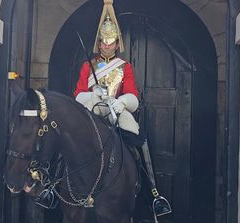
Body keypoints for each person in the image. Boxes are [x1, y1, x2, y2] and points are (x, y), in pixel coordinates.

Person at [73, 0, 171, 218]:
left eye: (111, 42)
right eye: (103, 42)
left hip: (117, 110)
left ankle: (152, 192)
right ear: (98, 44)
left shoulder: (124, 67)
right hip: (92, 110)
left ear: (117, 43)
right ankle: (53, 188)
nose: (106, 46)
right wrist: (92, 95)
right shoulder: (86, 66)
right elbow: (78, 94)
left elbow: (133, 95)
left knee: (139, 139)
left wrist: (122, 102)